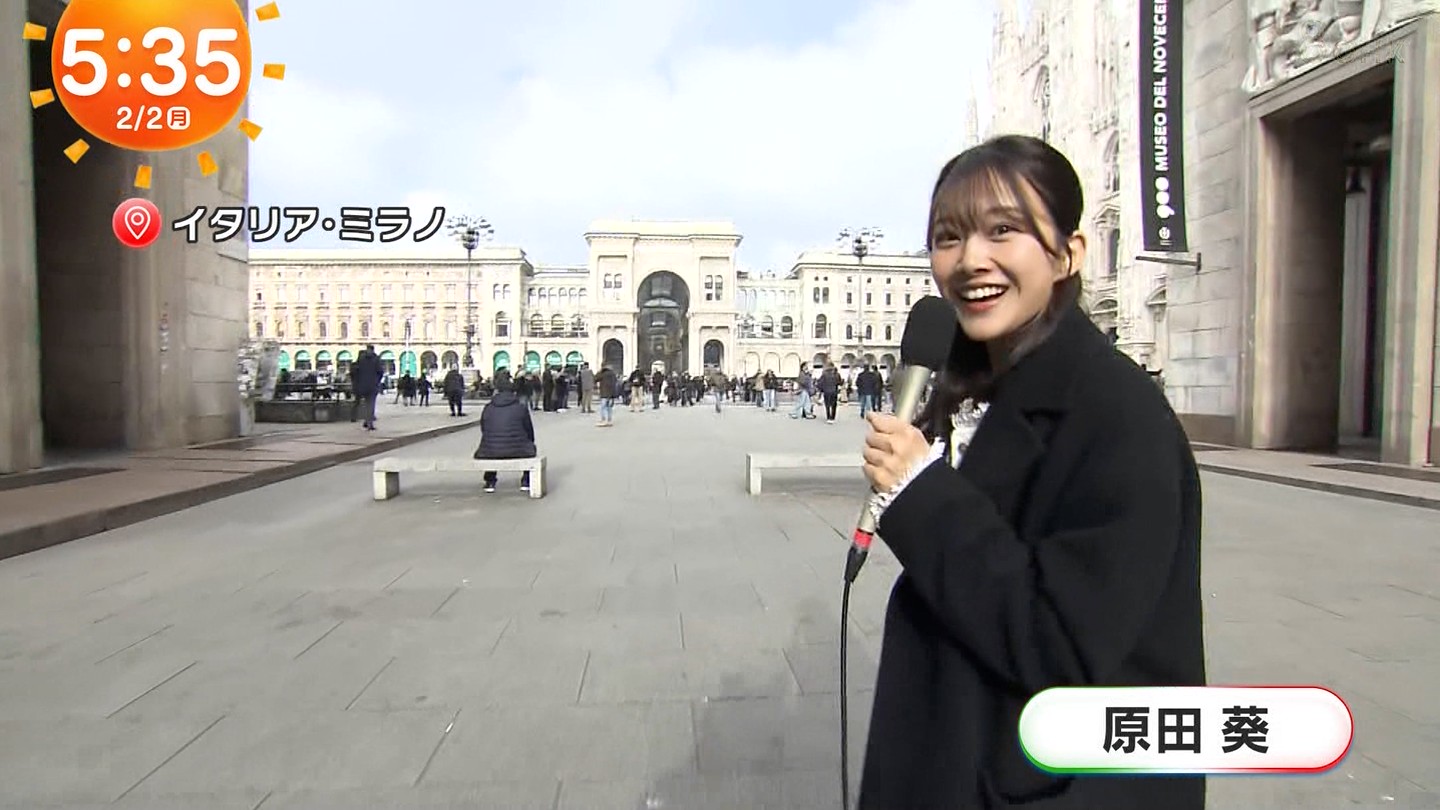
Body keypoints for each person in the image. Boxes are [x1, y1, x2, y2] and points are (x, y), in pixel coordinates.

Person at [856, 135, 1205, 810]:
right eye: (948, 237)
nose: (969, 260)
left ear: (1068, 253)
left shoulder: (1117, 413)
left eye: (1002, 231)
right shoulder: (990, 385)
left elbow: (1060, 643)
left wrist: (922, 493)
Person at [473, 379, 537, 492]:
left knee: (492, 448)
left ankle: (490, 481)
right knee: (529, 449)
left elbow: (484, 428)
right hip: (519, 450)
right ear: (513, 392)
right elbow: (529, 431)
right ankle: (526, 481)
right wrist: (529, 443)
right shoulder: (520, 407)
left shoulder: (488, 407)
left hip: (490, 449)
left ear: (497, 391)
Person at [349, 344, 381, 430]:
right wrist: (377, 381)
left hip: (362, 385)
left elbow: (354, 372)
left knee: (363, 404)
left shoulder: (360, 359)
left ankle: (365, 420)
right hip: (372, 385)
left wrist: (357, 382)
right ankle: (369, 423)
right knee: (370, 404)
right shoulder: (376, 359)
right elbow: (380, 372)